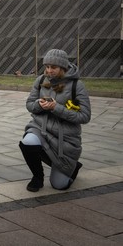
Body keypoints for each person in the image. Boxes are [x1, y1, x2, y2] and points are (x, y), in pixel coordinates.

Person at [20, 49, 91, 192]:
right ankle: (37, 177)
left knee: (59, 185)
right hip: (40, 128)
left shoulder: (77, 85)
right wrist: (39, 104)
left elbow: (85, 116)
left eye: (54, 67)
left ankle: (72, 167)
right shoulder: (40, 80)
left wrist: (56, 108)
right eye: (47, 67)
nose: (49, 71)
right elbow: (29, 105)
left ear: (63, 68)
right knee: (28, 141)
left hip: (65, 137)